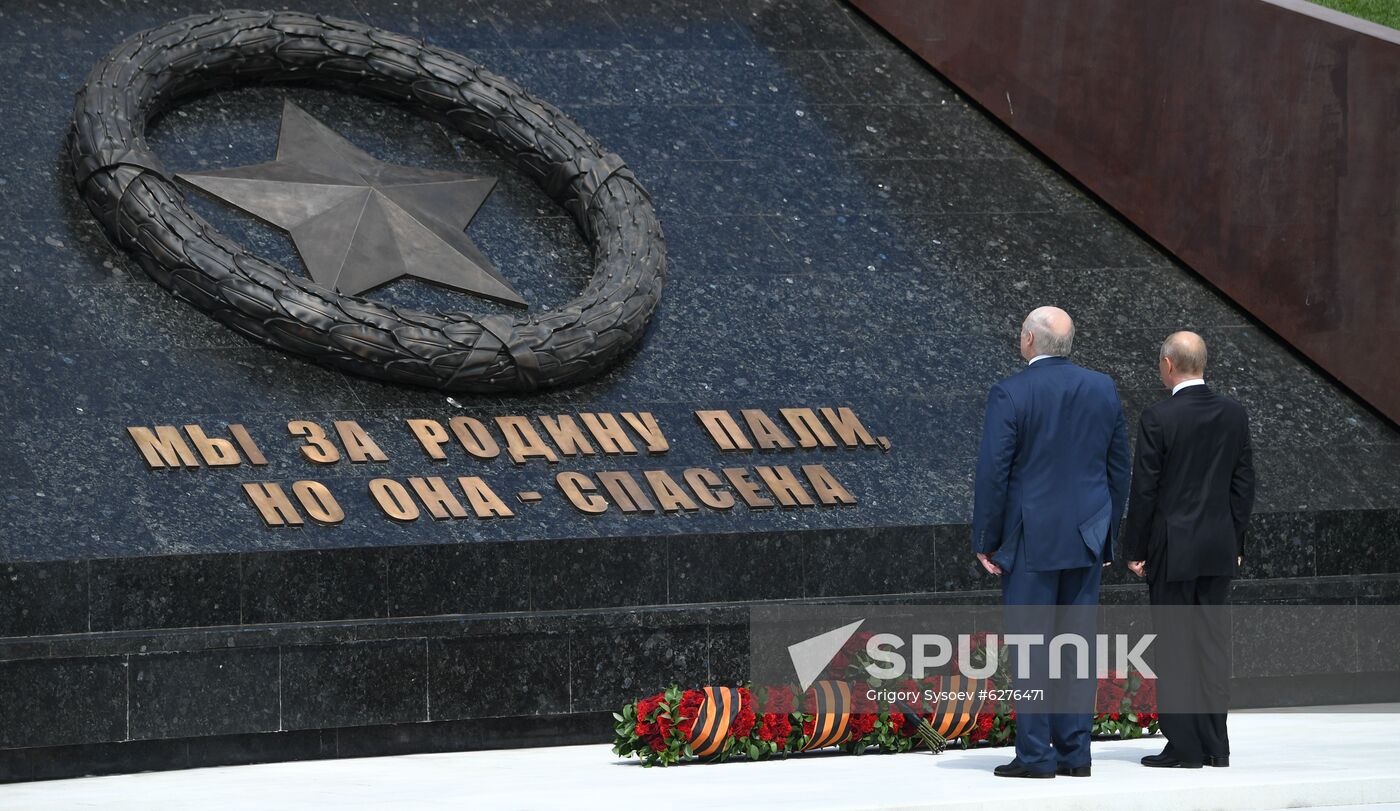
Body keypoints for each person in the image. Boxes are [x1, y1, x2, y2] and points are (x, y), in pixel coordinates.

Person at [972, 306, 1131, 778]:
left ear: (1028, 340)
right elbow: (1119, 467)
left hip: (1030, 542)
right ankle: (1074, 755)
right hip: (1085, 539)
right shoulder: (1102, 387)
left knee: (1030, 650)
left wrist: (986, 539)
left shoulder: (1011, 392)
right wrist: (1108, 535)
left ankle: (1036, 756)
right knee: (1075, 650)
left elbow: (993, 473)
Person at [1124, 331, 1254, 769]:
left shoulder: (1159, 417)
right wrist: (1236, 541)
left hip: (1172, 551)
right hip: (1218, 549)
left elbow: (1145, 490)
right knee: (1213, 647)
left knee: (1176, 646)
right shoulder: (1233, 414)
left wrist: (1135, 548)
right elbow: (1243, 484)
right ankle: (1217, 745)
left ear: (1168, 365)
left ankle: (1184, 746)